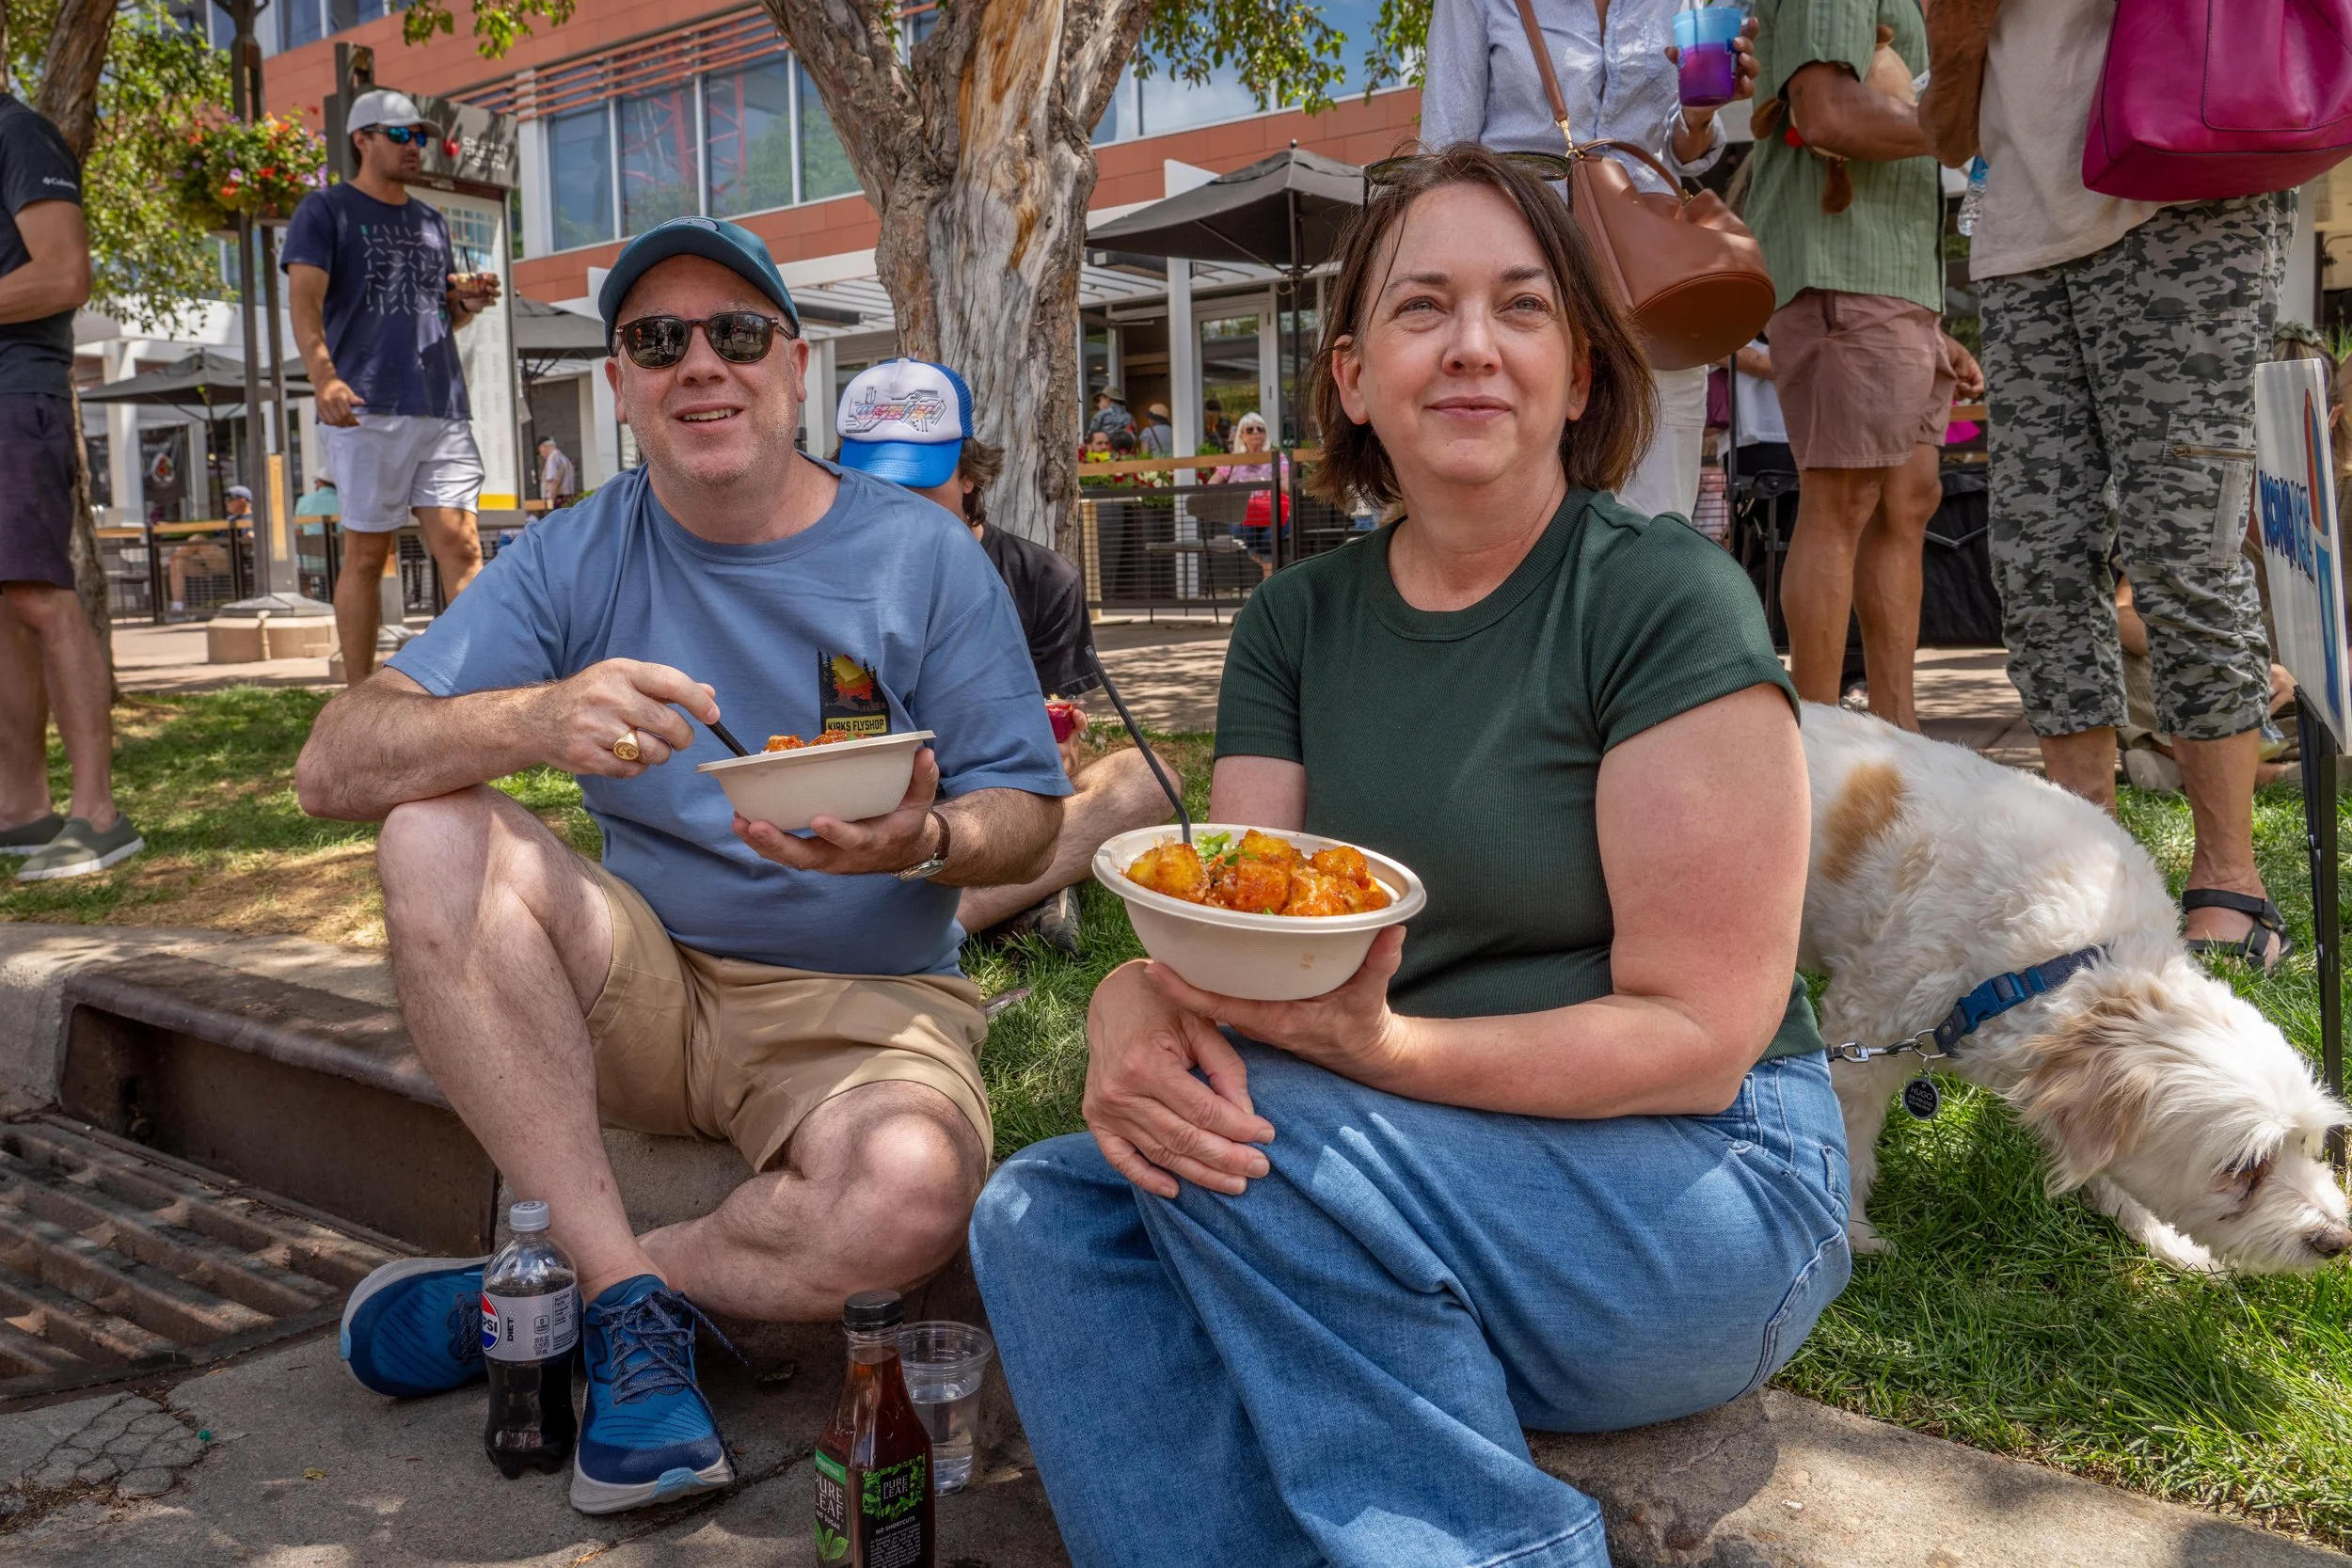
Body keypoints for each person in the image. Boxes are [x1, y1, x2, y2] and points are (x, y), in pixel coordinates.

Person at [969, 143, 1848, 1568]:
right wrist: (1136, 998)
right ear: (1353, 378)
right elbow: (1236, 926)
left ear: (1581, 371)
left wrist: (1377, 1051)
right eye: (1421, 307)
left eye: (1520, 307)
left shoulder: (1663, 597)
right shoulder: (1294, 623)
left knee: (1262, 1141)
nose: (1471, 348)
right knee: (1040, 1217)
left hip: (1699, 1183)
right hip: (1374, 1167)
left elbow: (1699, 1036)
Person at [295, 216, 1069, 1514]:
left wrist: (929, 839)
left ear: (795, 364)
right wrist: (534, 718)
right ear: (619, 387)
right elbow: (334, 761)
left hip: (867, 999)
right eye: (657, 341)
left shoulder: (922, 554)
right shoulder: (575, 551)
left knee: (912, 1193)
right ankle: (631, 1322)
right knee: (430, 824)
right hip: (641, 974)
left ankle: (554, 1291)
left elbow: (1030, 811)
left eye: (736, 333)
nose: (700, 363)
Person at [1922, 0, 2292, 968]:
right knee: (2035, 559)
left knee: (2185, 548)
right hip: (2019, 236)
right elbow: (1946, 119)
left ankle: (2230, 879)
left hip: (2182, 201)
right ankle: (2090, 866)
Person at [834, 356, 1180, 954]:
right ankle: (1008, 903)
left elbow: (1053, 767)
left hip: (989, 814)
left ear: (970, 474)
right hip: (874, 813)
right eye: (874, 484)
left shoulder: (1044, 578)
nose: (899, 505)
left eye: (919, 483)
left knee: (1147, 782)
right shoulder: (826, 579)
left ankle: (948, 918)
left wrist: (1057, 742)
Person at [1421, 0, 1754, 524]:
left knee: (1659, 527)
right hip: (1529, 273)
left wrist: (1700, 114)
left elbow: (1682, 151)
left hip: (1650, 282)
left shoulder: (1676, 5)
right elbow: (1443, 155)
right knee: (1532, 518)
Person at [1744, 0, 1981, 729]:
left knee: (1909, 500)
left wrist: (1926, 322)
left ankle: (1899, 736)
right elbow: (1826, 115)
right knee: (1841, 500)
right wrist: (1955, 128)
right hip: (1841, 266)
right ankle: (1812, 750)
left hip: (1898, 274)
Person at [284, 88, 499, 689]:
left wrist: (468, 305)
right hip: (366, 405)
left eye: (421, 137)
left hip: (442, 404)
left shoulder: (432, 221)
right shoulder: (325, 211)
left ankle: (464, 691)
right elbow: (304, 302)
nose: (416, 147)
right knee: (366, 556)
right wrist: (324, 377)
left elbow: (438, 316)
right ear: (363, 140)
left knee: (462, 549)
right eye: (401, 136)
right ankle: (359, 700)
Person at [0, 88, 141, 881]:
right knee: (6, 599)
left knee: (38, 594)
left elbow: (64, 274)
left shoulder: (19, 133)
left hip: (18, 395)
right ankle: (21, 812)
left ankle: (99, 815)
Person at [1210, 410, 1289, 571]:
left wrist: (1262, 482)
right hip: (1243, 516)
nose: (1256, 433)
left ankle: (1266, 578)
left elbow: (1287, 487)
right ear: (1242, 435)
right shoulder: (1233, 460)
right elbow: (1213, 485)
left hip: (1273, 513)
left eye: (1260, 429)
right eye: (1250, 429)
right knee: (1245, 532)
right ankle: (1267, 574)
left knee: (1269, 537)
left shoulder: (1277, 457)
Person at [166, 483, 252, 616]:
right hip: (213, 560)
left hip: (235, 560)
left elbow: (252, 537)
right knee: (177, 563)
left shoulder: (253, 518)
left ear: (243, 500)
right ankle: (178, 608)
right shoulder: (228, 520)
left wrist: (249, 536)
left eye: (230, 498)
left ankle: (176, 554)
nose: (226, 502)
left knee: (198, 539)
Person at [537, 434, 578, 509]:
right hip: (568, 500)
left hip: (558, 501)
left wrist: (550, 503)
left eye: (540, 451)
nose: (541, 455)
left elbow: (554, 482)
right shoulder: (563, 458)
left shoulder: (552, 459)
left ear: (544, 446)